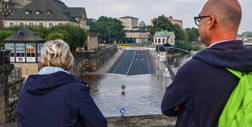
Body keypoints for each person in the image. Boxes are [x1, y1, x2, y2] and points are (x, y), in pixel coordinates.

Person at [161, 0, 252, 126]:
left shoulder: (193, 70)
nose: (198, 25)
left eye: (199, 19)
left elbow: (167, 107)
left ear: (211, 21)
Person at [16, 39, 107, 127]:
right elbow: (98, 124)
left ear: (42, 61)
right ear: (69, 61)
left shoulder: (26, 88)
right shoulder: (76, 90)